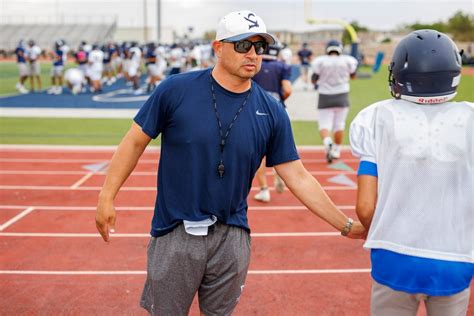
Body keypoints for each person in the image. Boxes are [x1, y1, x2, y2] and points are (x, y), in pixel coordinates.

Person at [96, 10, 366, 316]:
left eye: (259, 47)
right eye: (242, 45)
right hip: (175, 231)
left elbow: (298, 176)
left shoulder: (272, 110)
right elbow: (134, 141)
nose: (252, 54)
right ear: (218, 47)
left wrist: (344, 225)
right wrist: (107, 196)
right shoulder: (176, 90)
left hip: (233, 235)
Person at [350, 29, 473, 316]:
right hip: (455, 259)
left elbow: (365, 207)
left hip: (395, 256)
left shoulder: (376, 118)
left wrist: (387, 227)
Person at [252, 43, 292, 202]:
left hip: (257, 112)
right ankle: (279, 173)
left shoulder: (254, 66)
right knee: (279, 149)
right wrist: (279, 102)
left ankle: (264, 190)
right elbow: (287, 89)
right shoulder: (283, 66)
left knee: (259, 155)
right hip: (279, 111)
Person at [311, 39, 358, 163]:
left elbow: (314, 79)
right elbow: (353, 76)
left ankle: (328, 142)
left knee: (324, 124)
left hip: (325, 95)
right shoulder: (347, 60)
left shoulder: (320, 61)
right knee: (339, 124)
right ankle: (336, 150)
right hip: (342, 95)